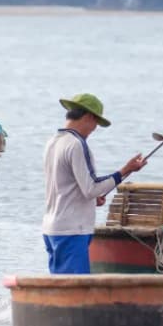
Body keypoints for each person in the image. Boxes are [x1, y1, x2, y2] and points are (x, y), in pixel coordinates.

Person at [42, 93, 147, 274]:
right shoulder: (76, 144)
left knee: (59, 288)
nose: (94, 129)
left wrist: (91, 198)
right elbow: (91, 188)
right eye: (96, 124)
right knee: (75, 291)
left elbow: (68, 185)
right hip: (72, 230)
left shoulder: (52, 142)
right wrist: (126, 170)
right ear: (89, 117)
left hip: (51, 228)